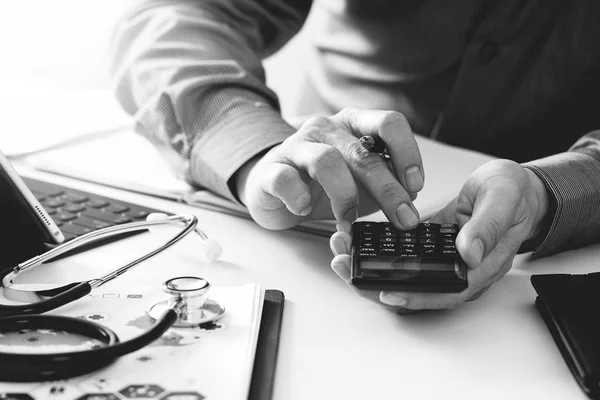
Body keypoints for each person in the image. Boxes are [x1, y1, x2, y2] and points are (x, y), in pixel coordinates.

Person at [109, 1, 600, 313]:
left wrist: (547, 191)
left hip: (550, 265)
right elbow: (177, 15)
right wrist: (257, 151)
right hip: (305, 201)